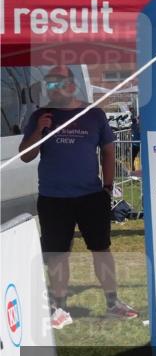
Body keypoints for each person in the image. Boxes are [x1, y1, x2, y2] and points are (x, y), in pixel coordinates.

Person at [19, 66, 138, 329]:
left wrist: (107, 187)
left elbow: (108, 150)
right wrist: (40, 129)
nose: (52, 90)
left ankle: (113, 302)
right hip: (53, 198)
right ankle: (60, 309)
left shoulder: (93, 114)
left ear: (72, 85)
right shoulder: (41, 115)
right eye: (49, 85)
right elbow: (25, 155)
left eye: (57, 84)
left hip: (91, 196)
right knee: (57, 254)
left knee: (101, 250)